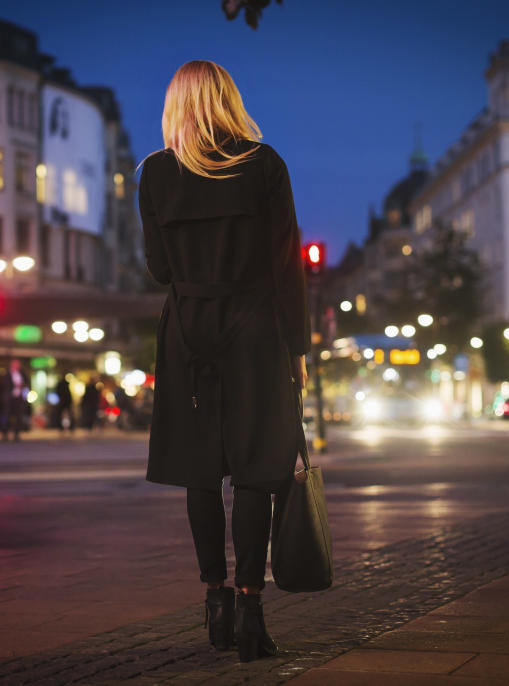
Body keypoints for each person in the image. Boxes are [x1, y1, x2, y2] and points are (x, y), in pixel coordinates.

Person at [139, 60, 310, 662]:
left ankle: (213, 597)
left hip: (187, 330)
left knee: (200, 471)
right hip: (257, 329)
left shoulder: (157, 173)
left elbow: (160, 269)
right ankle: (251, 607)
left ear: (175, 106)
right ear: (229, 100)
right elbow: (287, 263)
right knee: (259, 470)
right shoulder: (263, 164)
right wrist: (299, 348)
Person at [0, 359, 28, 441]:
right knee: (6, 416)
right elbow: (3, 385)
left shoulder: (22, 374)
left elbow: (27, 382)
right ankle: (5, 434)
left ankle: (16, 434)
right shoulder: (6, 374)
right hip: (9, 398)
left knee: (18, 416)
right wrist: (14, 385)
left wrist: (22, 385)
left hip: (19, 398)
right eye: (14, 364)